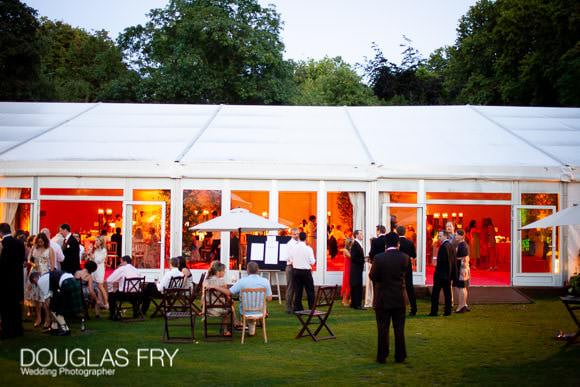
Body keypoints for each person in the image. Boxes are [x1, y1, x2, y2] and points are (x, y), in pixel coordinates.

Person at [369, 232, 409, 364]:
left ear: (386, 244)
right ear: (398, 244)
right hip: (399, 297)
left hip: (383, 297)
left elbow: (372, 276)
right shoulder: (404, 257)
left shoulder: (379, 258)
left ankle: (382, 356)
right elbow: (406, 275)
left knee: (382, 329)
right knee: (399, 329)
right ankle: (400, 355)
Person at [209, 262, 272, 336]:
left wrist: (216, 287)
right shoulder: (265, 281)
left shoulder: (242, 281)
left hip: (245, 312)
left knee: (244, 306)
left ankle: (251, 329)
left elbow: (229, 292)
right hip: (261, 312)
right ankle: (252, 329)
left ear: (247, 270)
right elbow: (269, 298)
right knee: (262, 306)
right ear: (258, 270)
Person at [0, 223, 26, 338]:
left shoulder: (3, 244)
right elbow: (22, 260)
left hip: (5, 280)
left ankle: (7, 331)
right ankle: (18, 329)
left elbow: (2, 263)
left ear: (1, 232)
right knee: (15, 306)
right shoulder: (19, 243)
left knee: (5, 307)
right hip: (17, 279)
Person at [201, 261, 234, 336]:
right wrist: (231, 300)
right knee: (230, 308)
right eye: (224, 271)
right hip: (220, 309)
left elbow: (203, 295)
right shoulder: (222, 282)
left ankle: (235, 323)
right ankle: (225, 330)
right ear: (218, 272)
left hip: (208, 309)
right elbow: (227, 296)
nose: (224, 273)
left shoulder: (206, 281)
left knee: (229, 305)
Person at [105, 255, 142, 320]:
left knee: (111, 295)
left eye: (121, 262)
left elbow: (109, 280)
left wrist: (111, 288)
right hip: (136, 295)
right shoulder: (136, 270)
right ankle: (135, 312)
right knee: (131, 294)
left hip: (124, 295)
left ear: (125, 262)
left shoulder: (122, 269)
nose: (120, 264)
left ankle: (112, 315)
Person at [429, 232, 457, 317]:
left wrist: (435, 265)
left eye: (440, 236)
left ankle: (434, 312)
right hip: (448, 274)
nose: (439, 238)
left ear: (445, 236)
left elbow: (441, 262)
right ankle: (448, 311)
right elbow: (453, 261)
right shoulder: (451, 245)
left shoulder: (443, 247)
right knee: (447, 293)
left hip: (441, 274)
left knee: (435, 294)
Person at [289, 231, 316, 311]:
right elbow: (312, 262)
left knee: (298, 291)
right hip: (306, 272)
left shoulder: (293, 248)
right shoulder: (309, 249)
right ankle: (311, 307)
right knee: (310, 290)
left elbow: (290, 259)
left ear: (298, 238)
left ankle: (297, 308)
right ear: (306, 238)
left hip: (296, 271)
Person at [396, 225, 417, 316]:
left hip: (397, 267)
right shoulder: (410, 242)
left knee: (397, 287)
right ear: (405, 232)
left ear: (397, 232)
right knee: (409, 287)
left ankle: (397, 308)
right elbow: (414, 255)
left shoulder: (396, 243)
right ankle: (414, 308)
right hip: (407, 266)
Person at [88, 235, 108, 310]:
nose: (96, 242)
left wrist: (91, 255)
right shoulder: (96, 250)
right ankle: (96, 304)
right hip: (94, 270)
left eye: (97, 240)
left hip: (99, 269)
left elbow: (98, 261)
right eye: (95, 240)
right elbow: (91, 260)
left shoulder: (104, 250)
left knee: (100, 286)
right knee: (93, 286)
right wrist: (90, 254)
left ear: (101, 242)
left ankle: (106, 303)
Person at [454, 229, 471, 313]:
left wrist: (454, 258)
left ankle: (461, 306)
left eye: (456, 235)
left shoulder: (462, 245)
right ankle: (464, 304)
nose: (455, 236)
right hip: (464, 269)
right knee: (462, 288)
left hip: (462, 269)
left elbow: (464, 258)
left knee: (461, 288)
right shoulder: (462, 244)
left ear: (461, 236)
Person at [285, 228, 299, 314]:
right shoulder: (289, 244)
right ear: (291, 234)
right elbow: (288, 257)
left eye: (297, 234)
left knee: (296, 287)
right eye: (295, 234)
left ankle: (295, 306)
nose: (296, 235)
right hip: (291, 267)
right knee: (290, 287)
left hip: (297, 267)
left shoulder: (299, 243)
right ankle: (288, 307)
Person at [349, 230, 365, 309]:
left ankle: (354, 303)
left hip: (357, 268)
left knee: (356, 285)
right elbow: (353, 258)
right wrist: (363, 260)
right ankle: (357, 304)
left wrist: (363, 259)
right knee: (357, 285)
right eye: (361, 234)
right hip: (356, 268)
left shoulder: (357, 244)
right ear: (356, 235)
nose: (362, 235)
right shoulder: (355, 244)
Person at [339, 238, 351, 306]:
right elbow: (351, 257)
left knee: (349, 283)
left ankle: (347, 299)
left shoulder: (348, 250)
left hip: (350, 267)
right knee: (347, 283)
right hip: (347, 267)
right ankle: (344, 300)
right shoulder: (345, 250)